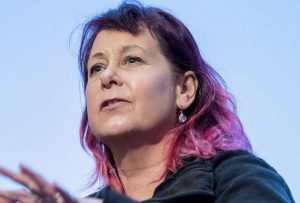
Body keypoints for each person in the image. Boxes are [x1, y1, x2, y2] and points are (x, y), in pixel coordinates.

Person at [0, 1, 295, 203]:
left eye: (132, 59)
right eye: (96, 68)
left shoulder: (237, 176)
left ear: (185, 90)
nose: (108, 77)